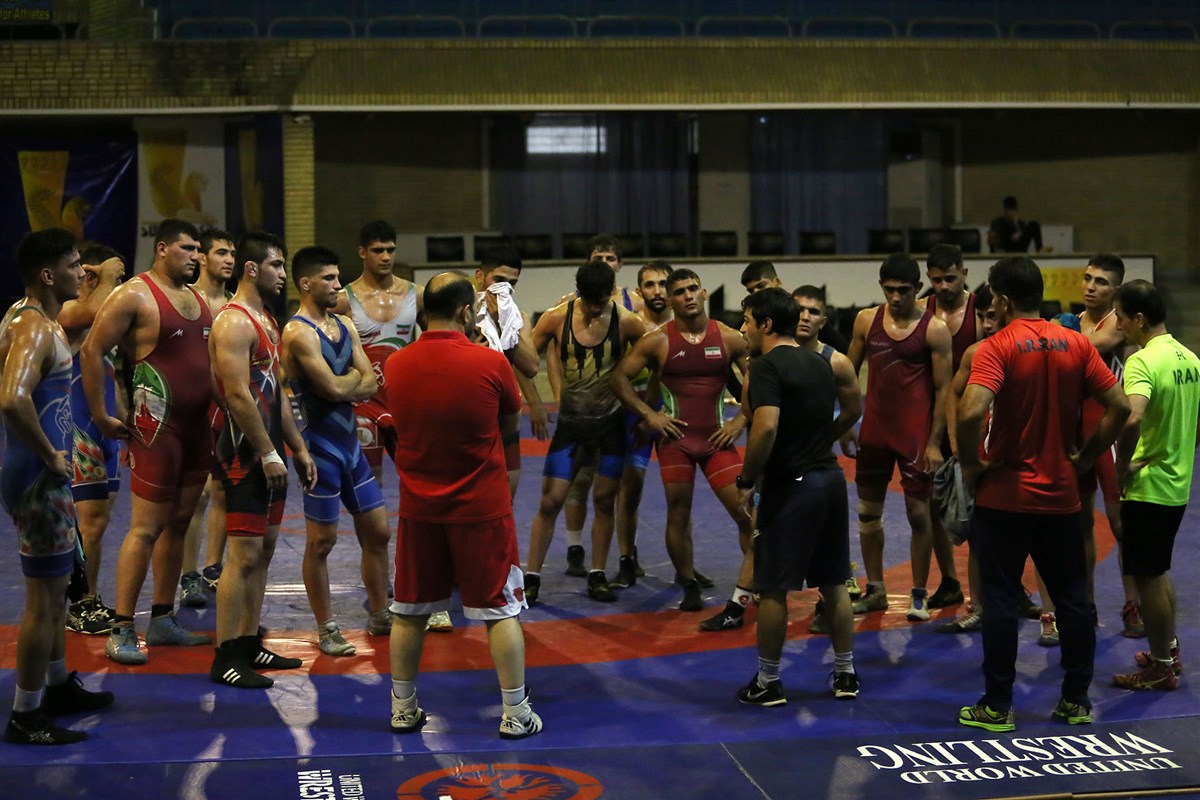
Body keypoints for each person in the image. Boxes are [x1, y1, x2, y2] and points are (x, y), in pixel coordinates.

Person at [957, 255, 1129, 732]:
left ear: (1002, 300)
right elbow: (1118, 406)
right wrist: (1087, 456)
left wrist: (971, 464)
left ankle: (997, 706)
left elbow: (970, 412)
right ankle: (1076, 700)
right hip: (1061, 495)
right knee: (1072, 600)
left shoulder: (997, 346)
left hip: (1005, 496)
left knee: (1000, 600)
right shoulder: (1076, 343)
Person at [382, 271, 542, 739]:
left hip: (419, 506)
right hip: (481, 506)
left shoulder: (396, 364)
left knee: (409, 608)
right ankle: (515, 713)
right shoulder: (490, 363)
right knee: (500, 610)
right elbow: (507, 424)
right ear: (465, 311)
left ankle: (402, 708)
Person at [81, 218, 215, 665]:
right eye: (187, 248)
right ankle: (122, 626)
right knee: (146, 527)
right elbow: (91, 349)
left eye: (198, 249)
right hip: (158, 428)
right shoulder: (135, 294)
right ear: (161, 249)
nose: (196, 256)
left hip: (197, 428)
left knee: (179, 522)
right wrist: (100, 413)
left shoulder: (198, 299)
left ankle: (161, 618)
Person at [2, 228, 114, 744]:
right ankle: (26, 715)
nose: (82, 273)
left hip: (40, 475)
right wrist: (50, 455)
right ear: (48, 275)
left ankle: (56, 685)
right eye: (73, 266)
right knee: (44, 601)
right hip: (39, 479)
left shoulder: (30, 317)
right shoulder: (33, 327)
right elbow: (11, 397)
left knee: (59, 590)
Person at [734, 287, 861, 706]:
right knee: (834, 582)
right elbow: (852, 408)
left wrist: (747, 477)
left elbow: (766, 426)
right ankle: (845, 673)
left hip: (792, 485)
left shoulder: (766, 366)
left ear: (766, 324)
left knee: (773, 587)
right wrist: (824, 440)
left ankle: (768, 681)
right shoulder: (824, 362)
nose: (743, 330)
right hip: (830, 479)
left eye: (747, 322)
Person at [208, 231, 315, 687]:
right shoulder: (234, 323)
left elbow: (276, 393)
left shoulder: (266, 320)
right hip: (243, 451)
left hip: (269, 450)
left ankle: (249, 642)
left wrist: (298, 448)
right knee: (243, 555)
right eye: (276, 265)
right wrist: (268, 451)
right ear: (252, 269)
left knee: (265, 550)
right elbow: (236, 394)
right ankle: (225, 655)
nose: (282, 274)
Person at [612, 268, 751, 616]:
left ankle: (754, 581)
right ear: (671, 301)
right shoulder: (657, 340)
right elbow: (618, 378)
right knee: (678, 510)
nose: (688, 296)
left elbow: (760, 380)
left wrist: (740, 420)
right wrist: (649, 415)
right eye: (680, 292)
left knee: (745, 510)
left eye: (692, 289)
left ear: (704, 293)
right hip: (676, 440)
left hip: (717, 439)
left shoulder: (729, 337)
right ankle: (688, 582)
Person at [282, 246, 391, 657]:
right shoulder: (297, 333)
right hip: (319, 451)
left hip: (350, 447)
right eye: (329, 278)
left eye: (337, 276)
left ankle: (380, 614)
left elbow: (372, 382)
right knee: (321, 542)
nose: (338, 285)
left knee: (378, 532)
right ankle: (327, 627)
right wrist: (350, 384)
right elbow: (331, 388)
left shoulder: (344, 323)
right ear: (305, 283)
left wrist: (345, 385)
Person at [525, 260, 647, 604]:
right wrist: (535, 403)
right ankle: (531, 577)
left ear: (611, 293)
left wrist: (645, 408)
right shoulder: (556, 318)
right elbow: (524, 360)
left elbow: (655, 359)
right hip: (571, 425)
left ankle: (597, 574)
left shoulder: (627, 321)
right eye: (589, 301)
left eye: (601, 301)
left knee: (605, 501)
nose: (594, 309)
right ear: (579, 292)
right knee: (550, 501)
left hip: (610, 424)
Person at [847, 254, 952, 621]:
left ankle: (919, 593)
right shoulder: (866, 320)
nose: (895, 297)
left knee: (919, 514)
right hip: (875, 431)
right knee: (867, 513)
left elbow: (944, 389)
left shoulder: (934, 329)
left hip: (914, 435)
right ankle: (875, 590)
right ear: (881, 286)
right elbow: (847, 375)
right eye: (889, 289)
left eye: (903, 290)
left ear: (917, 289)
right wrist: (844, 424)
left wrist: (935, 442)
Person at [1111, 280, 1199, 691]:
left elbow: (1132, 417)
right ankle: (1169, 649)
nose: (1118, 326)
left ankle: (1162, 667)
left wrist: (1122, 466)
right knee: (1158, 572)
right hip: (1178, 482)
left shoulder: (1142, 361)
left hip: (1148, 486)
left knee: (1147, 578)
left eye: (1121, 318)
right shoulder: (1190, 358)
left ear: (1139, 319)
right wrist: (1178, 450)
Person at [556, 234, 644, 578]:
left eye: (609, 258)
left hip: (619, 406)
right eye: (598, 258)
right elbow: (555, 351)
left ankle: (626, 552)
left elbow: (649, 349)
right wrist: (562, 392)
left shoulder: (634, 305)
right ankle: (575, 547)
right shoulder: (568, 304)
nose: (604, 263)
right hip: (582, 405)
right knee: (580, 480)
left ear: (619, 265)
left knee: (621, 484)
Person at [788, 286, 866, 635]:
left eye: (813, 311)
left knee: (822, 538)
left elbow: (852, 409)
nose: (805, 317)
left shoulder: (835, 361)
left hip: (816, 464)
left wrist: (827, 436)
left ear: (824, 321)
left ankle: (827, 601)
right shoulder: (773, 355)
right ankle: (762, 595)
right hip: (779, 462)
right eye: (799, 310)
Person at [60, 244, 126, 635]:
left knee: (98, 523)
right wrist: (105, 275)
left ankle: (89, 599)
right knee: (87, 523)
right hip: (78, 430)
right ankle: (78, 603)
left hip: (104, 431)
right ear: (91, 278)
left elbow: (112, 378)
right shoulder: (70, 311)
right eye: (114, 281)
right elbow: (96, 308)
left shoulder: (105, 322)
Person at [1078, 254, 1143, 637]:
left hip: (1109, 432)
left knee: (1120, 523)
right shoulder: (1074, 322)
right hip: (1077, 429)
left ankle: (1133, 604)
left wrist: (1053, 334)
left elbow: (1081, 348)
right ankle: (1084, 604)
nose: (1090, 286)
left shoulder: (1117, 326)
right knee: (1081, 522)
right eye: (1088, 278)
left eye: (1101, 282)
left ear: (1116, 289)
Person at [334, 219, 423, 485]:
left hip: (404, 402)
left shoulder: (416, 295)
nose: (386, 257)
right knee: (368, 483)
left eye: (390, 250)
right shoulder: (342, 300)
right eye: (378, 250)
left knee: (419, 478)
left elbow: (438, 342)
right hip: (364, 405)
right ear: (362, 252)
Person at [180, 227, 236, 608]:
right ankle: (188, 576)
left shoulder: (235, 306)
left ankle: (213, 568)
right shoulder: (186, 300)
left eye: (232, 253)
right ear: (202, 258)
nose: (229, 260)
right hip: (193, 407)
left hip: (226, 406)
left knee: (223, 491)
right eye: (221, 253)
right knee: (197, 495)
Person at [611, 260, 675, 588]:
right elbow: (617, 376)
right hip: (634, 414)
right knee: (631, 485)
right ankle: (626, 558)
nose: (657, 291)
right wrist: (642, 413)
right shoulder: (629, 326)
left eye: (663, 284)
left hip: (673, 415)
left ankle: (684, 564)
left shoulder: (683, 326)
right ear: (639, 291)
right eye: (650, 285)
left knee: (680, 491)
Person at [920, 244, 977, 610]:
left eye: (950, 278)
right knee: (934, 503)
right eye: (937, 280)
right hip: (933, 418)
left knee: (990, 504)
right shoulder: (921, 312)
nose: (943, 286)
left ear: (964, 273)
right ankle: (950, 581)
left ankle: (1008, 583)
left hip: (976, 416)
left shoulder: (981, 312)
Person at [741, 260, 849, 353]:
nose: (756, 293)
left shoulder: (798, 309)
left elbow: (843, 348)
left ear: (777, 282)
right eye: (751, 291)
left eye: (761, 286)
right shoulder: (749, 318)